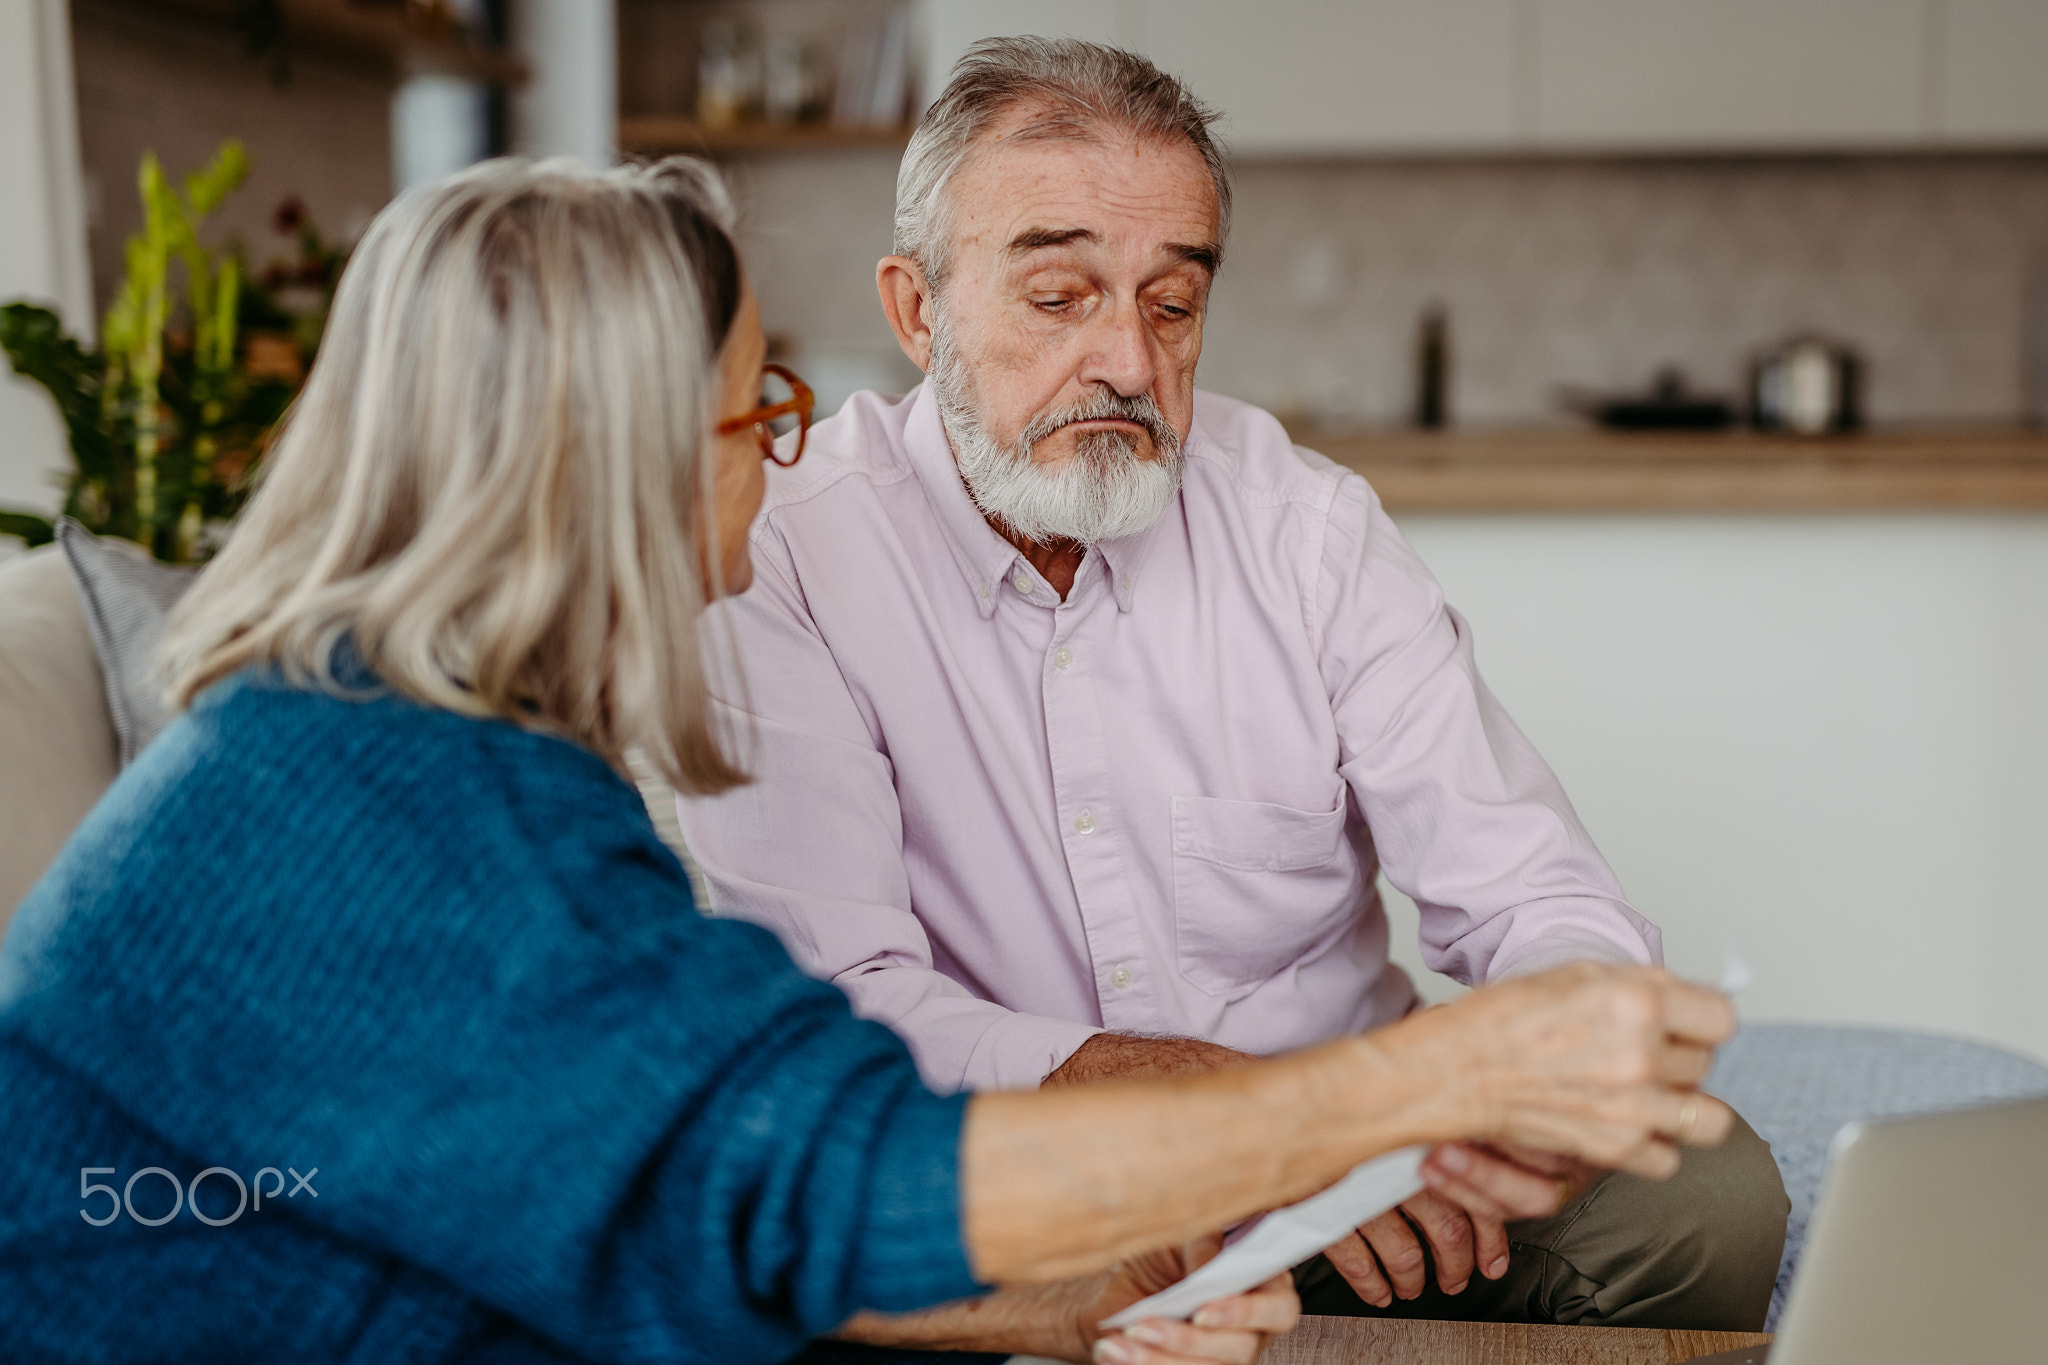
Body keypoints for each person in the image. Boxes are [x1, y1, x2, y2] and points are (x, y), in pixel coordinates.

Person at [0, 158, 1744, 1365]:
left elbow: (684, 1187)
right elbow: (819, 1174)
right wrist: (1415, 1087)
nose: (790, 460)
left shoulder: (414, 751)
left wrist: (1062, 1300)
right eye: (758, 413)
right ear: (611, 465)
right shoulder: (378, 820)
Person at [672, 37, 1790, 1334]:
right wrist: (1256, 1122)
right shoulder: (785, 545)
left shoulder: (1305, 526)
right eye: (1059, 296)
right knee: (789, 1264)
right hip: (1009, 1173)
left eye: (1172, 303)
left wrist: (1512, 1089)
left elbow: (1536, 893)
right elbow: (837, 992)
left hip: (1365, 1182)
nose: (1130, 364)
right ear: (919, 310)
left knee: (1704, 1194)